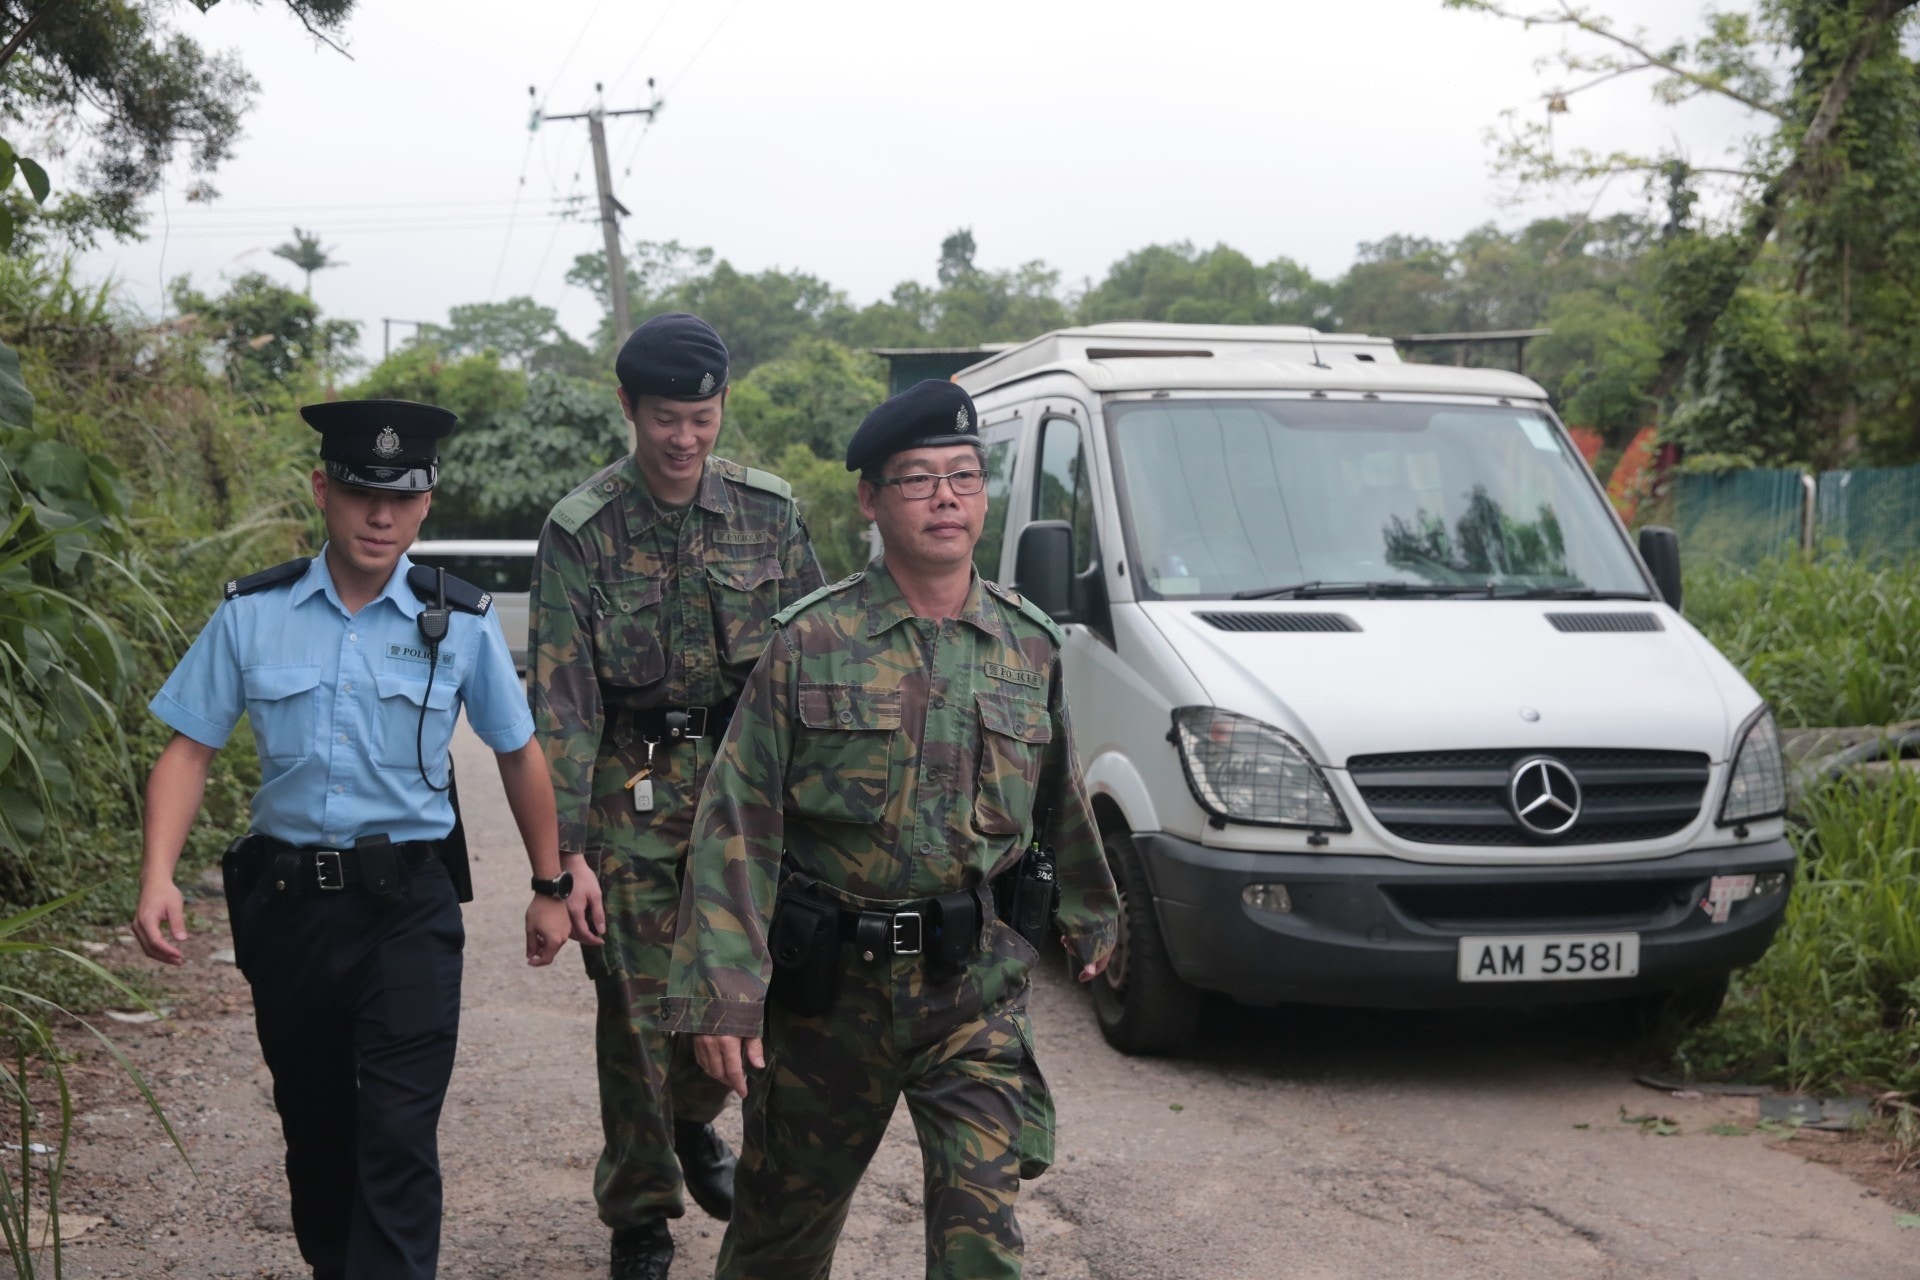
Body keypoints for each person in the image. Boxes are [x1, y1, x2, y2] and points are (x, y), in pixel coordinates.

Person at [662, 378, 1121, 1280]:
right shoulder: (810, 642)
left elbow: (1056, 797)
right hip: (828, 994)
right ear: (871, 501)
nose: (946, 497)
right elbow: (737, 821)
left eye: (963, 476)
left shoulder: (1029, 645)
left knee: (981, 1247)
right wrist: (725, 989)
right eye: (918, 478)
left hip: (972, 989)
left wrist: (1092, 911)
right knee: (778, 1245)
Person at [131, 398, 573, 1280]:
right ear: (322, 490)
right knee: (318, 1131)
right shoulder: (253, 614)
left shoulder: (461, 620)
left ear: (426, 503)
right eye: (363, 493)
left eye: (402, 497)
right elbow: (188, 750)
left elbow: (517, 751)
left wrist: (549, 884)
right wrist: (158, 876)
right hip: (288, 907)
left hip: (408, 907)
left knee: (399, 1134)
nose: (381, 516)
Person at [528, 311, 824, 1279]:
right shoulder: (582, 529)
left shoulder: (770, 514)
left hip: (749, 787)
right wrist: (566, 855)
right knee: (638, 1014)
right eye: (666, 418)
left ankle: (694, 1122)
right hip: (634, 790)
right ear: (628, 406)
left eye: (702, 417)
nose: (685, 439)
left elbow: (818, 661)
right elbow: (563, 701)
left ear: (722, 405)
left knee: (761, 991)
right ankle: (642, 1219)